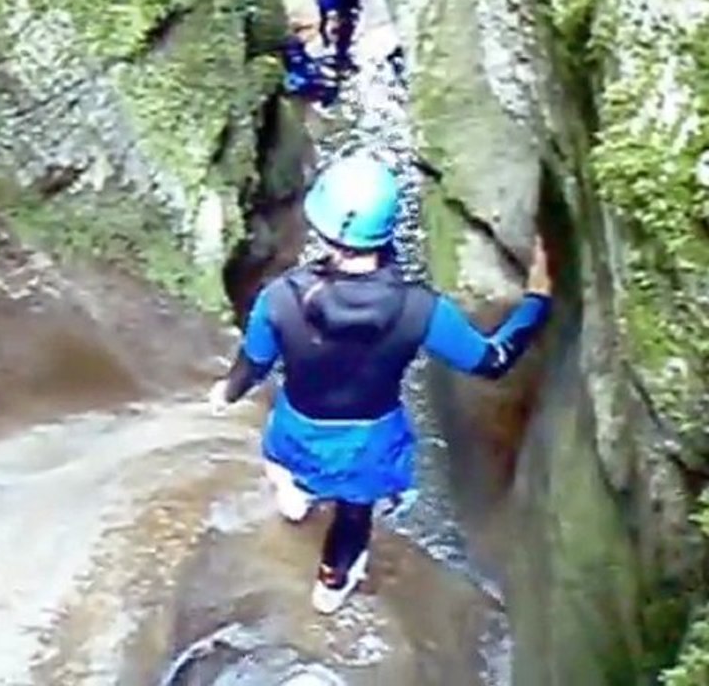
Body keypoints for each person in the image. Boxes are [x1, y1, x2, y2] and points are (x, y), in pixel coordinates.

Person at [208, 153, 553, 614]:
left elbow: (252, 365)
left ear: (325, 229)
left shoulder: (280, 298)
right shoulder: (421, 309)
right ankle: (330, 587)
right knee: (355, 512)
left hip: (297, 430)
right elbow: (492, 361)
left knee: (286, 464)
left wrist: (225, 392)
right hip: (367, 446)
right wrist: (536, 301)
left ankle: (296, 496)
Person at [281, 35, 340, 107]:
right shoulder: (316, 85)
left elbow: (297, 88)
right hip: (304, 71)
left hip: (300, 72)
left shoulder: (311, 93)